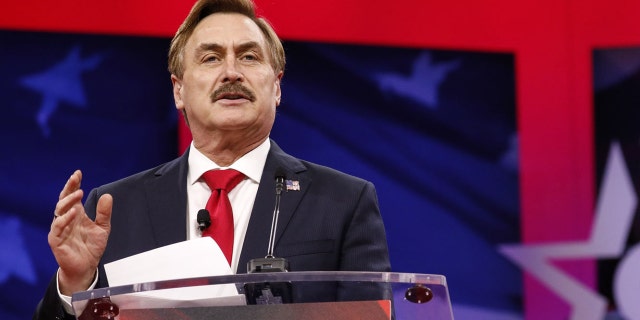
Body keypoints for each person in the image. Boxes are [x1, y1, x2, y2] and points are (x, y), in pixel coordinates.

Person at [33, 0, 391, 318]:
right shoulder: (116, 208)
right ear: (179, 90)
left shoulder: (344, 202)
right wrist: (76, 283)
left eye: (249, 56)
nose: (232, 72)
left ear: (277, 86)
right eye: (210, 58)